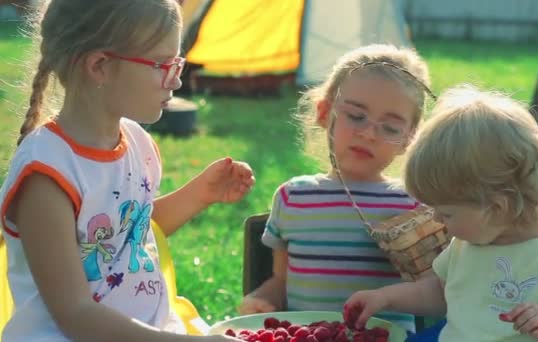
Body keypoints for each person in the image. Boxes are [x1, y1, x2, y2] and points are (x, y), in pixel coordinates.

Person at [0, 1, 255, 340]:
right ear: (100, 66)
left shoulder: (137, 142)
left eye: (177, 63)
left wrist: (198, 195)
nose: (176, 81)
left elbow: (129, 236)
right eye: (163, 65)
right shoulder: (46, 173)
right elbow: (75, 314)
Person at [345, 85, 538, 342]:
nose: (437, 219)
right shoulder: (466, 244)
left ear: (496, 207)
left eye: (446, 213)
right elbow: (441, 293)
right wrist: (386, 298)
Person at [238, 44, 434, 335]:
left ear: (409, 139)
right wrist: (261, 299)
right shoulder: (294, 198)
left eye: (390, 128)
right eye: (356, 116)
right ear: (324, 112)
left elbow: (435, 291)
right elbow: (281, 281)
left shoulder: (414, 205)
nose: (368, 133)